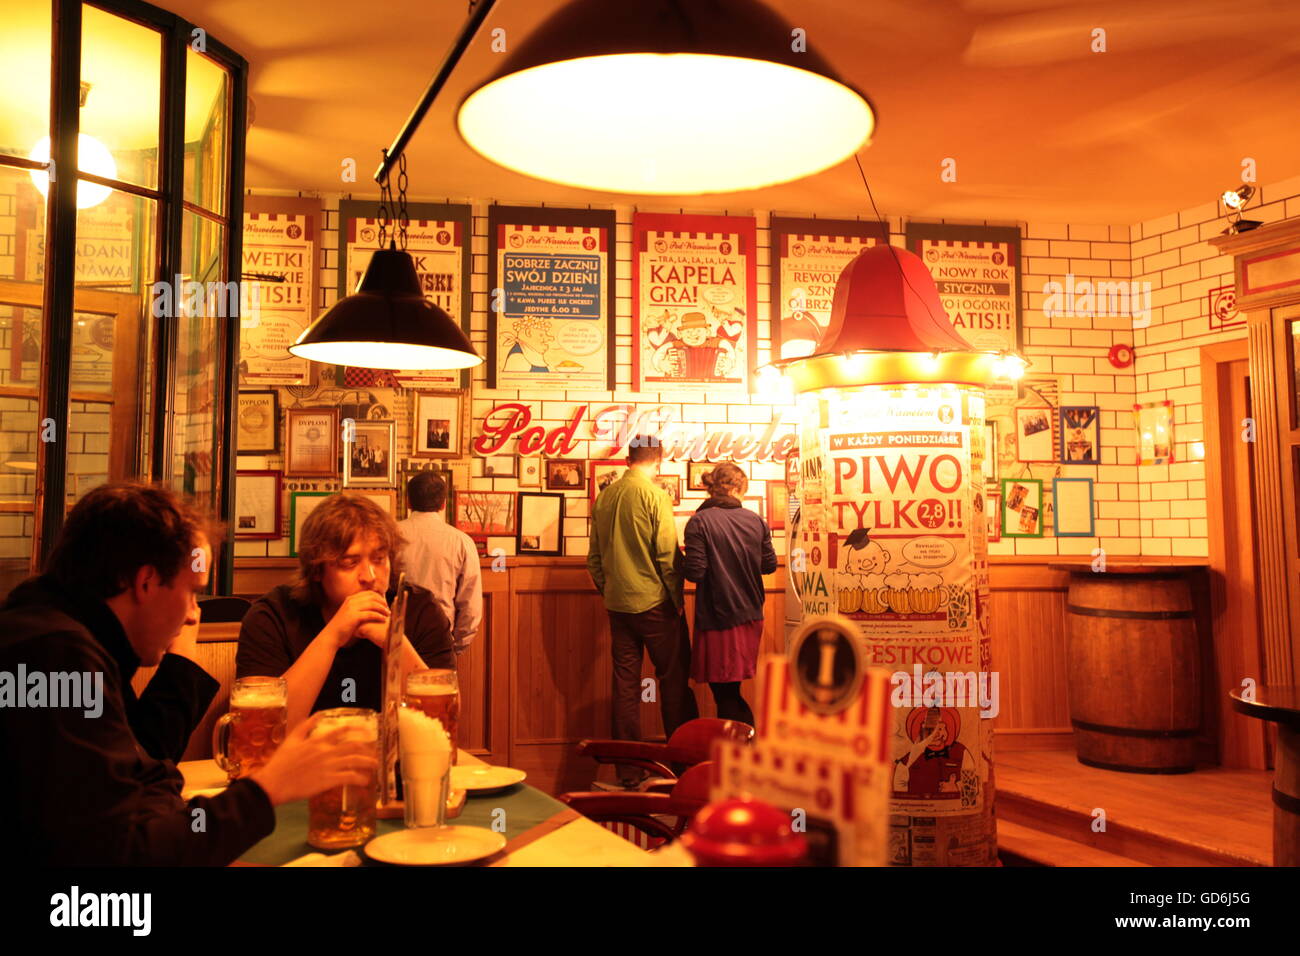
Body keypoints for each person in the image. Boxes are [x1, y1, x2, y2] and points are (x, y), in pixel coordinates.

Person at [0, 482, 376, 865]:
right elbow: (126, 856)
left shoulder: (68, 640)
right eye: (193, 592)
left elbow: (142, 776)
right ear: (146, 582)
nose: (195, 614)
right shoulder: (53, 659)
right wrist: (267, 788)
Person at [237, 493, 454, 729]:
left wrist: (394, 642)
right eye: (350, 563)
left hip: (396, 764)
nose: (370, 577)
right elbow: (262, 729)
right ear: (317, 570)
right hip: (303, 763)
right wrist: (333, 637)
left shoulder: (420, 610)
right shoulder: (273, 616)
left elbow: (442, 723)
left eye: (379, 559)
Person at [587, 435, 698, 788]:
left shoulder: (604, 497)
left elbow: (593, 559)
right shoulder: (655, 495)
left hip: (618, 605)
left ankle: (629, 772)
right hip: (655, 603)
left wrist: (611, 590)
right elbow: (667, 555)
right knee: (673, 681)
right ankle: (681, 768)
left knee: (625, 686)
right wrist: (676, 600)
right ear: (658, 460)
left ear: (627, 459)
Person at [682, 462, 776, 726]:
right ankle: (738, 752)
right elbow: (768, 565)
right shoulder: (756, 520)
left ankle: (744, 751)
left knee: (725, 693)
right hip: (750, 616)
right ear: (737, 488)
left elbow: (695, 573)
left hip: (718, 617)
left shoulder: (699, 521)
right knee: (728, 690)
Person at [397, 472, 482, 655]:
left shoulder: (389, 535)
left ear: (408, 501)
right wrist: (455, 646)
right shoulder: (462, 542)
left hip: (395, 635)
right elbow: (471, 608)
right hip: (440, 638)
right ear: (443, 504)